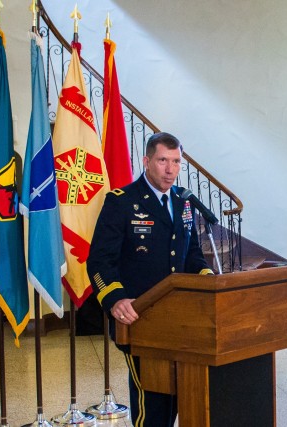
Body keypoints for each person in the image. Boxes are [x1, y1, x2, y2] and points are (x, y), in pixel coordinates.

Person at [87, 132, 213, 426]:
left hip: (180, 320)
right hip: (139, 319)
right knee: (153, 406)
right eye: (162, 161)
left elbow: (191, 254)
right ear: (146, 161)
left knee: (179, 399)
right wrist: (115, 299)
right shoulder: (121, 202)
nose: (170, 169)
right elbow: (99, 260)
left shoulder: (183, 202)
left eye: (176, 162)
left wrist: (208, 280)